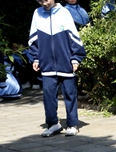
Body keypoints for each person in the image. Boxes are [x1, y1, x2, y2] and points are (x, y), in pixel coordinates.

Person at [29, 0, 86, 137]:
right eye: (40, 0)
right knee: (48, 96)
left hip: (65, 62)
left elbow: (74, 36)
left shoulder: (64, 12)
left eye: (46, 0)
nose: (44, 3)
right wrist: (35, 58)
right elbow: (33, 37)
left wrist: (75, 58)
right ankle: (53, 124)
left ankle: (72, 124)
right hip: (46, 64)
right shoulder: (37, 13)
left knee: (70, 94)